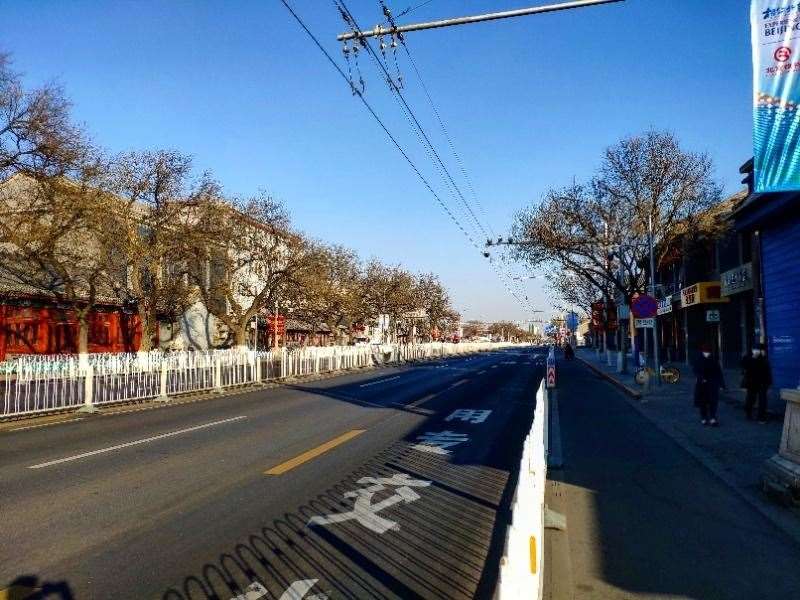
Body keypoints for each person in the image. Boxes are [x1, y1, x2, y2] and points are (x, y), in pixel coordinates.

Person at [693, 343, 725, 426]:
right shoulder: (699, 359)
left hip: (712, 383)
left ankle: (712, 418)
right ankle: (704, 417)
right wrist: (701, 378)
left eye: (708, 352)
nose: (707, 354)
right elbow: (696, 371)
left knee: (713, 401)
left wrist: (721, 384)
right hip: (702, 384)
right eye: (705, 352)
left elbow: (718, 372)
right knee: (703, 401)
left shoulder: (713, 360)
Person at [741, 342, 772, 423]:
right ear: (752, 350)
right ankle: (748, 413)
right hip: (752, 382)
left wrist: (769, 383)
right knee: (750, 399)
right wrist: (752, 358)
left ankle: (761, 417)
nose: (756, 351)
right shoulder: (747, 357)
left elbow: (767, 371)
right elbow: (743, 365)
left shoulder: (763, 358)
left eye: (758, 350)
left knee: (763, 400)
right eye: (755, 349)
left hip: (762, 382)